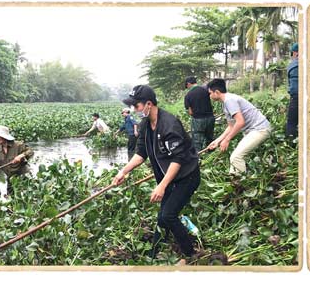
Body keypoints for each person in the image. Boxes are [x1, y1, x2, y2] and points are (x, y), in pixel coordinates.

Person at [112, 85, 201, 263]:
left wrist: (162, 185)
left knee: (168, 215)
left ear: (149, 104)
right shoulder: (146, 125)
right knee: (162, 217)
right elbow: (141, 154)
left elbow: (177, 160)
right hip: (169, 178)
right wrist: (123, 171)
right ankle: (153, 254)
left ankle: (191, 254)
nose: (134, 109)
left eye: (136, 106)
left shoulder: (169, 124)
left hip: (186, 177)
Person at [207, 79, 272, 174]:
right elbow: (231, 126)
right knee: (237, 156)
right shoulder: (225, 103)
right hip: (252, 130)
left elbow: (240, 122)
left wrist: (227, 139)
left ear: (216, 92)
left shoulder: (229, 100)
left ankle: (240, 185)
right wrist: (217, 141)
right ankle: (234, 179)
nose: (209, 96)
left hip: (260, 129)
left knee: (236, 157)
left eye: (210, 93)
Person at [184, 76, 215, 150]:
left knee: (197, 142)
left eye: (187, 86)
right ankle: (212, 154)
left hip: (198, 120)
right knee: (210, 138)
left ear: (188, 84)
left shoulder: (188, 95)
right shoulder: (206, 90)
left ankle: (198, 159)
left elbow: (190, 112)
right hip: (210, 118)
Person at [285, 43, 299, 139]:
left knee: (291, 123)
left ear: (295, 53)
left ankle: (291, 142)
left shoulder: (292, 66)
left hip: (296, 97)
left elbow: (292, 87)